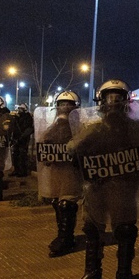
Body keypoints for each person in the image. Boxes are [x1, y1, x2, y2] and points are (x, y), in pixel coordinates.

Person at [67, 79, 139, 279]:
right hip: (97, 187)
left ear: (125, 102)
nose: (114, 103)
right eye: (110, 98)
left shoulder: (135, 128)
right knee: (92, 229)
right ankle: (92, 273)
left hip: (123, 187)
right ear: (102, 101)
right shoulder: (95, 128)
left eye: (118, 99)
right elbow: (73, 149)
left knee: (125, 230)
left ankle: (124, 274)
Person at [34, 91, 84, 257]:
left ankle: (65, 239)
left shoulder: (79, 127)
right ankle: (63, 236)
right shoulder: (53, 127)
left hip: (72, 173)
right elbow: (44, 147)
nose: (64, 107)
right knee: (57, 202)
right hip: (57, 172)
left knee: (67, 203)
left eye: (68, 104)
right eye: (62, 104)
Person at [9, 103, 34, 177]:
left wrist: (22, 137)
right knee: (15, 155)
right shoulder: (16, 118)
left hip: (23, 139)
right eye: (19, 108)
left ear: (24, 110)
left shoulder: (28, 117)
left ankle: (23, 171)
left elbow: (29, 129)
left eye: (21, 109)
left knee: (22, 155)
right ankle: (16, 170)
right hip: (16, 138)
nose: (19, 110)